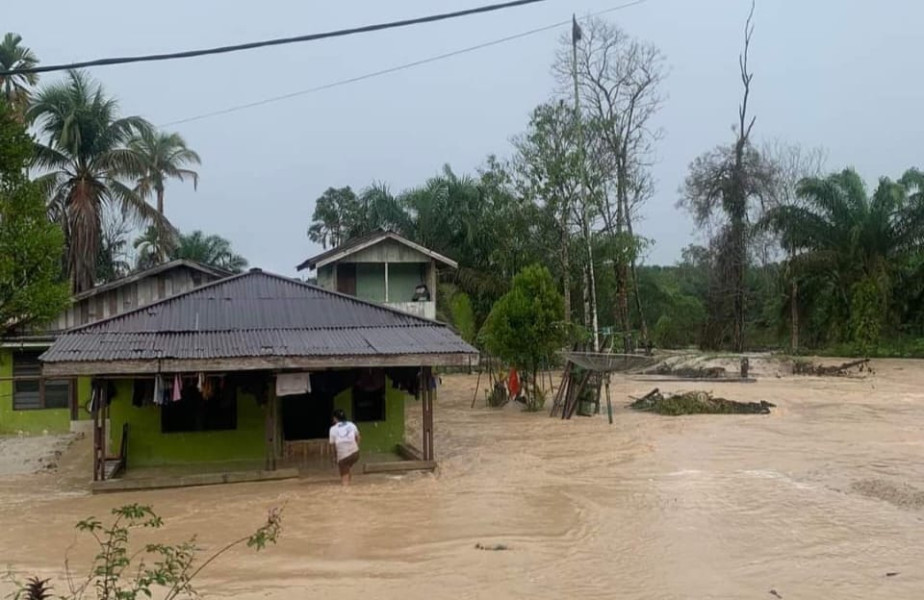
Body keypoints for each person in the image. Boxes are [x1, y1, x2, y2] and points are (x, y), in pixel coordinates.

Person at [329, 409, 361, 486]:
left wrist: (334, 457)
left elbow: (333, 446)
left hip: (343, 457)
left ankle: (346, 490)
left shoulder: (333, 429)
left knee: (344, 482)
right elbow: (359, 437)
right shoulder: (351, 424)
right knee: (347, 467)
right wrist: (356, 447)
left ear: (335, 418)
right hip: (355, 454)